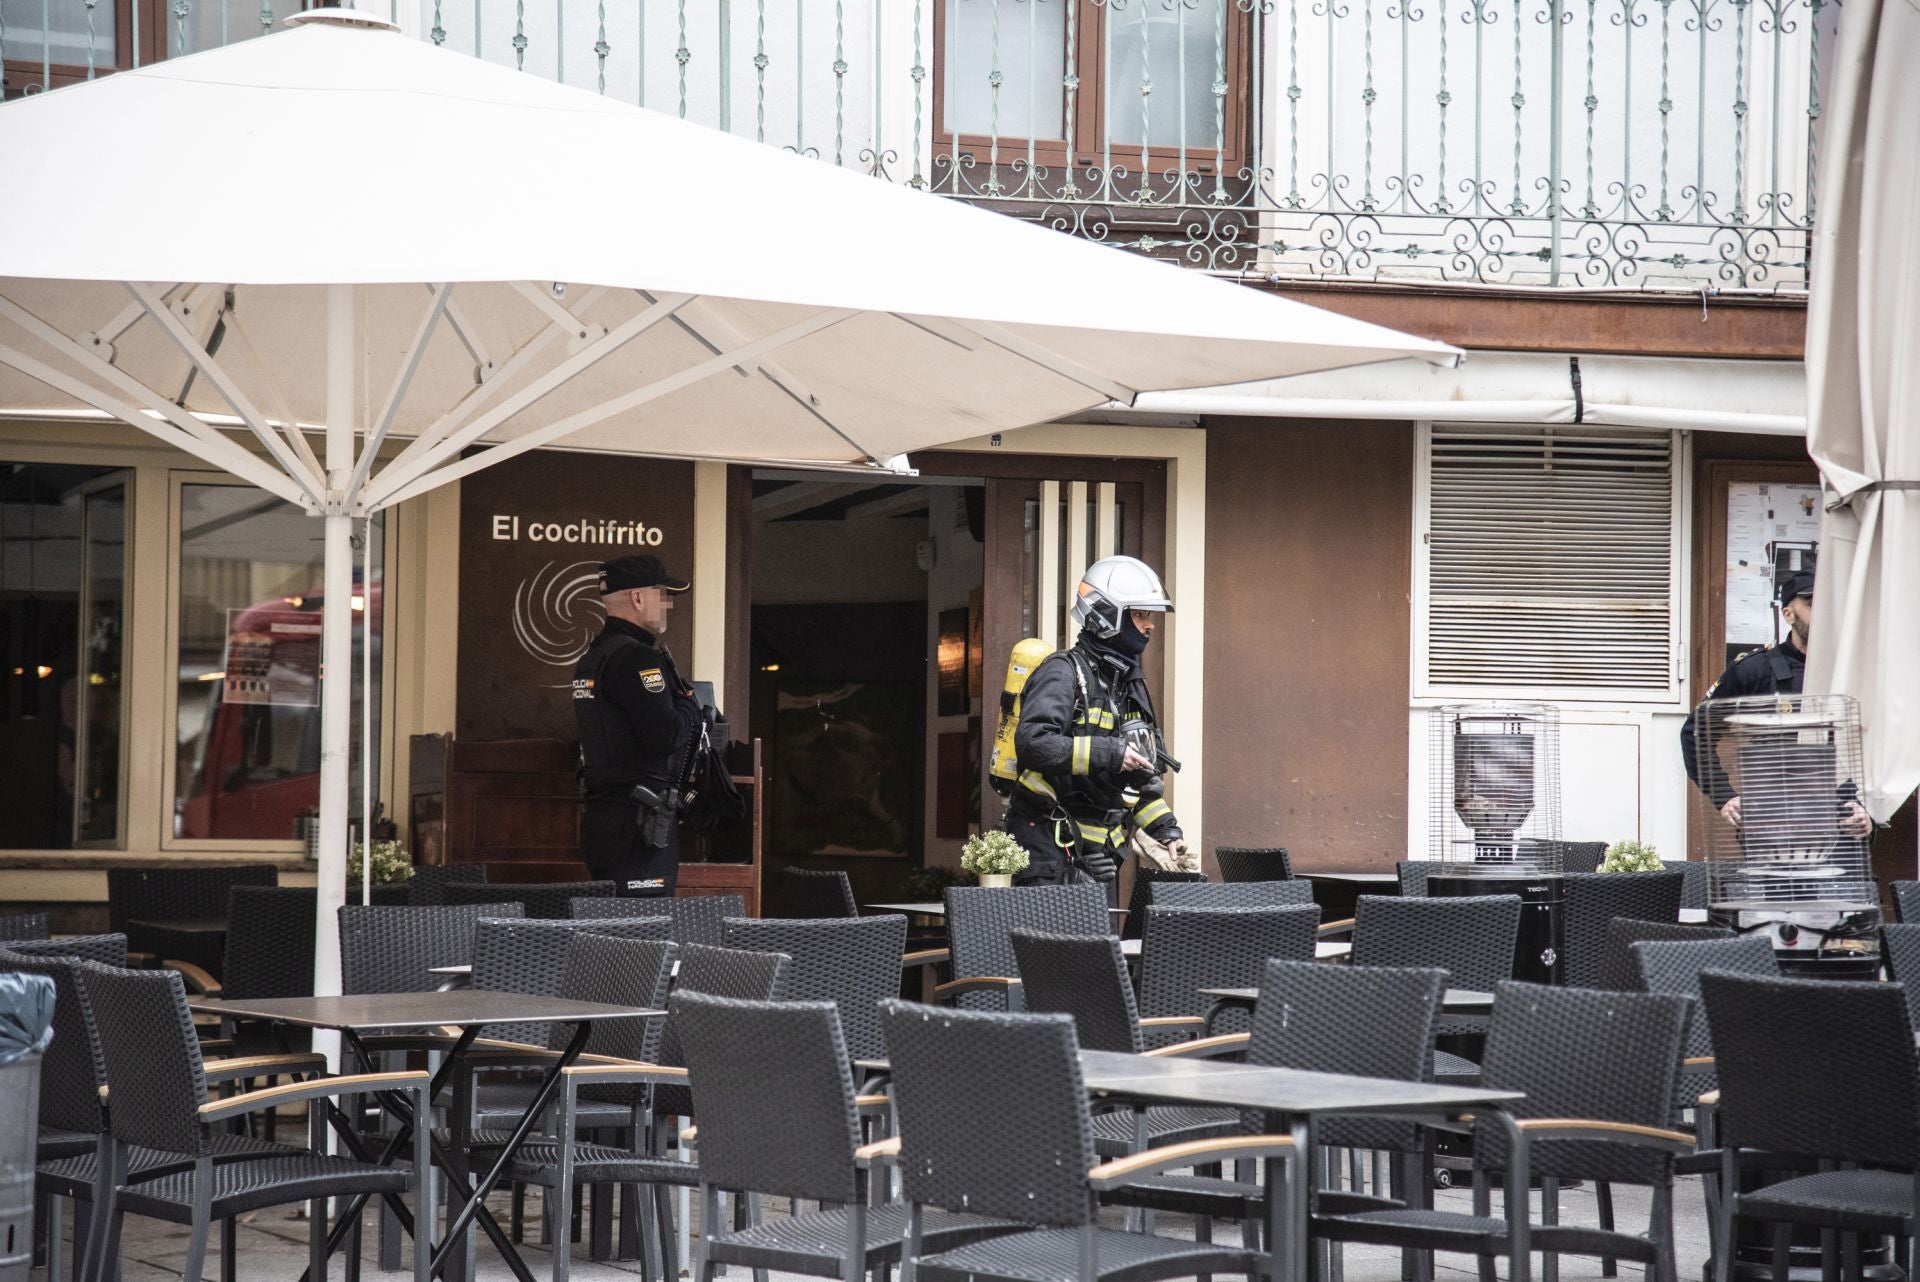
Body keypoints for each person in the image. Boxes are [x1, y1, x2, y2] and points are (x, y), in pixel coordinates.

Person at [1003, 555, 1188, 889]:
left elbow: (1143, 776)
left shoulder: (1130, 684)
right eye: (1140, 614)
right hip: (1048, 848)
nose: (1150, 625)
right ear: (1107, 614)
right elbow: (1033, 744)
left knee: (1098, 943)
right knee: (1050, 942)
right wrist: (1111, 752)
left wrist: (1166, 832)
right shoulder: (1062, 672)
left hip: (1100, 855)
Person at [1679, 568, 1872, 837]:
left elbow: (1880, 742)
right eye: (1812, 602)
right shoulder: (1756, 670)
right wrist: (1724, 796)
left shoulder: (1857, 668)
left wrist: (1868, 808)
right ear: (1788, 614)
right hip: (1774, 824)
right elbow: (1695, 732)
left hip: (1841, 822)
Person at [572, 554, 702, 896]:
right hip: (641, 826)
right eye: (663, 595)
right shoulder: (637, 658)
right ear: (638, 597)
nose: (668, 606)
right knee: (645, 935)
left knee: (611, 934)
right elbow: (666, 737)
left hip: (604, 822)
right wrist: (689, 705)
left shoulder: (593, 657)